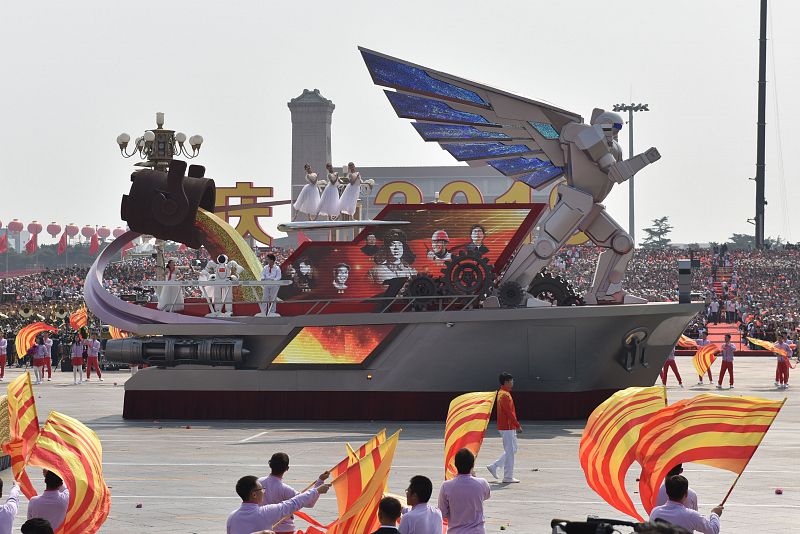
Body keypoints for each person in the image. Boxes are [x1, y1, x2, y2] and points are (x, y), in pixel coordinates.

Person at [226, 475, 329, 534]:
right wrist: (316, 490)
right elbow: (293, 503)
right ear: (253, 494)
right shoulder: (265, 512)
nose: (263, 491)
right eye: (261, 489)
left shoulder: (232, 517)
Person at [257, 453, 329, 533]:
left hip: (261, 529)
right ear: (287, 468)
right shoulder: (285, 489)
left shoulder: (258, 483)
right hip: (284, 530)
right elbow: (309, 503)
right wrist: (320, 482)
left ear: (270, 465)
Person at [439, 449, 490, 533]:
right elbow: (486, 496)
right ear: (472, 465)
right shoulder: (482, 483)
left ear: (455, 465)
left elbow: (442, 513)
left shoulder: (446, 486)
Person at [649, 475, 722, 534]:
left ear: (667, 492)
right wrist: (715, 514)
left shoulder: (655, 512)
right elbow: (713, 530)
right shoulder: (691, 515)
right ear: (686, 494)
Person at [486, 372, 522, 483]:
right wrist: (517, 425)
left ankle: (495, 466)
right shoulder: (504, 395)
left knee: (513, 449)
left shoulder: (503, 393)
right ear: (506, 382)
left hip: (507, 426)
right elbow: (509, 413)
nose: (512, 382)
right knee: (510, 451)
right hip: (507, 426)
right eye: (511, 380)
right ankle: (508, 476)